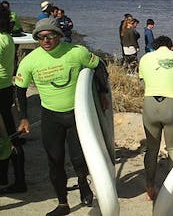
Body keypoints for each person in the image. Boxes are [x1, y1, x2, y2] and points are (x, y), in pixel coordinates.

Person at [14, 17, 106, 216]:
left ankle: (83, 182)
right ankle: (63, 203)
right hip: (50, 117)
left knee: (79, 159)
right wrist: (23, 117)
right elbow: (19, 90)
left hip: (77, 116)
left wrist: (102, 95)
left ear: (59, 36)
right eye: (41, 37)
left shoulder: (77, 52)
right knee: (54, 160)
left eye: (51, 36)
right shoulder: (30, 61)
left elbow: (99, 66)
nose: (46, 40)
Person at [139, 35, 173, 200]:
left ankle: (149, 188)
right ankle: (172, 193)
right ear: (171, 47)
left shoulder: (145, 58)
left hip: (149, 106)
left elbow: (142, 83)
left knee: (152, 149)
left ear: (154, 47)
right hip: (171, 106)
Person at [0, 7, 26, 194]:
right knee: (9, 133)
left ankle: (15, 179)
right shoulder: (6, 36)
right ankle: (15, 178)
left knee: (8, 135)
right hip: (5, 88)